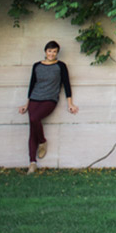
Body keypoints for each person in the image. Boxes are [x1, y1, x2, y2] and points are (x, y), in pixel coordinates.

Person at [18, 40, 78, 173]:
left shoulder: (61, 66)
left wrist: (70, 103)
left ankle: (43, 141)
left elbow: (66, 84)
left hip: (50, 99)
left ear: (57, 53)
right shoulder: (36, 66)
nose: (52, 53)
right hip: (34, 98)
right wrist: (26, 104)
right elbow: (32, 84)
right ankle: (32, 163)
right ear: (45, 51)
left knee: (34, 119)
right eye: (50, 51)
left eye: (54, 51)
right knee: (32, 129)